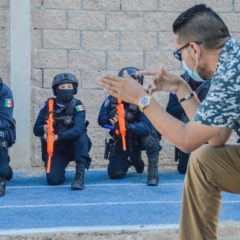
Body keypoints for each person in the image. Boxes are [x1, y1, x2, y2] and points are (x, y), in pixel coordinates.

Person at [100, 4, 240, 240]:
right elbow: (216, 137)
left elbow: (187, 140)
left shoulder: (230, 75)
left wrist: (141, 99)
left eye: (179, 54)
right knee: (206, 160)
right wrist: (179, 87)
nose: (181, 61)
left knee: (199, 154)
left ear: (194, 49)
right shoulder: (231, 61)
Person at [98, 67, 161, 186]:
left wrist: (128, 126)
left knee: (151, 140)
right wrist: (112, 123)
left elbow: (146, 127)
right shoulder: (112, 99)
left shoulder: (144, 99)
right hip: (122, 139)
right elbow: (101, 120)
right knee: (114, 173)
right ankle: (134, 159)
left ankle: (153, 173)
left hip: (141, 137)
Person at [33, 73, 92, 190]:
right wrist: (43, 128)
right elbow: (36, 130)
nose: (66, 90)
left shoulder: (78, 105)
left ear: (74, 89)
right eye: (62, 87)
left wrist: (58, 137)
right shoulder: (48, 105)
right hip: (57, 148)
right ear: (56, 89)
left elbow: (78, 128)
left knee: (82, 138)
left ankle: (79, 177)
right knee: (54, 180)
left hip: (74, 145)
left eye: (69, 87)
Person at [166, 72, 211, 174]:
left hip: (206, 133)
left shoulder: (212, 83)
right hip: (186, 131)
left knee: (205, 170)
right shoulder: (179, 82)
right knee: (183, 169)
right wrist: (187, 100)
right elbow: (171, 111)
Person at [0, 78, 16, 197]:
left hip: (4, 131)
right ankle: (5, 167)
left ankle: (1, 177)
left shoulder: (4, 91)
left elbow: (5, 121)